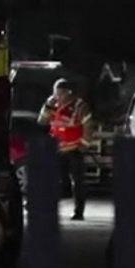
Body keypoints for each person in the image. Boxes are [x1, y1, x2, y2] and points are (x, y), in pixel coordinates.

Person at [38, 78, 93, 220]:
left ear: (69, 93)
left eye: (59, 93)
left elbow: (88, 126)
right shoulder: (53, 105)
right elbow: (42, 121)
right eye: (55, 93)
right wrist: (47, 107)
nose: (56, 96)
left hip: (74, 149)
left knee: (78, 182)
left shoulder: (80, 106)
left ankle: (78, 211)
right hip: (57, 149)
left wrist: (83, 146)